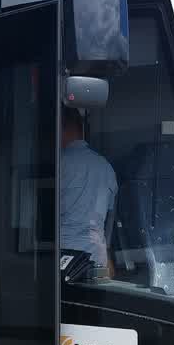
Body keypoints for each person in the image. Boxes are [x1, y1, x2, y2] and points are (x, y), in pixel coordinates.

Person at [59, 106, 117, 277]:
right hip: (98, 259)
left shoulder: (59, 164)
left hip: (64, 259)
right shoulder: (106, 167)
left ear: (62, 127)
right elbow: (109, 219)